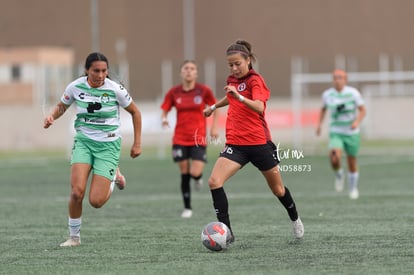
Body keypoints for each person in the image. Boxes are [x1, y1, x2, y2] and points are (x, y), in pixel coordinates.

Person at [203, 40, 304, 242]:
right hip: (236, 144)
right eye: (230, 65)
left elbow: (259, 106)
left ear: (248, 60)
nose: (234, 68)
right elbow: (229, 97)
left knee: (278, 190)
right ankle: (227, 233)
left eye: (237, 63)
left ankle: (295, 219)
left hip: (259, 145)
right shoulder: (232, 79)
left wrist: (239, 97)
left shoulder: (256, 80)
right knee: (214, 182)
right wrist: (214, 107)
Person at [43, 52, 142, 246]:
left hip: (108, 146)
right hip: (84, 142)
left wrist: (137, 143)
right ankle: (74, 237)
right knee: (76, 192)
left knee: (95, 201)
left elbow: (135, 112)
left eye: (104, 71)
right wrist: (52, 116)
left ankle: (114, 177)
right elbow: (62, 106)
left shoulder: (115, 89)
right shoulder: (75, 86)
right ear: (87, 70)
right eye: (96, 70)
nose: (100, 75)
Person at [161, 60, 219, 218]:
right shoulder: (174, 92)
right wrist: (164, 118)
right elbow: (165, 108)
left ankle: (198, 178)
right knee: (184, 172)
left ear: (196, 73)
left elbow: (216, 107)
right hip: (180, 138)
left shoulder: (204, 90)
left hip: (198, 138)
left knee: (195, 171)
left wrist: (214, 127)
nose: (189, 71)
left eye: (192, 68)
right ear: (181, 72)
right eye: (186, 68)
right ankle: (187, 208)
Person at [316, 69, 366, 199]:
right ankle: (339, 174)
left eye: (340, 77)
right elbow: (323, 109)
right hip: (336, 132)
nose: (337, 80)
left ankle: (353, 188)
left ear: (345, 79)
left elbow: (362, 110)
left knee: (351, 161)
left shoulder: (353, 93)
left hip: (351, 133)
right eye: (335, 78)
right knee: (334, 158)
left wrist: (356, 122)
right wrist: (319, 125)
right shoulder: (327, 95)